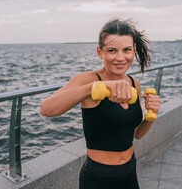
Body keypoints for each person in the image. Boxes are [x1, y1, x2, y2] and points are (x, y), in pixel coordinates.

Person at [40, 18, 161, 189]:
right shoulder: (90, 80)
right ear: (100, 52)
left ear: (134, 50)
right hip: (99, 177)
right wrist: (97, 87)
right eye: (112, 50)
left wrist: (151, 114)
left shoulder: (134, 83)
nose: (120, 58)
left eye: (126, 50)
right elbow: (46, 108)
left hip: (129, 171)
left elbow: (136, 134)